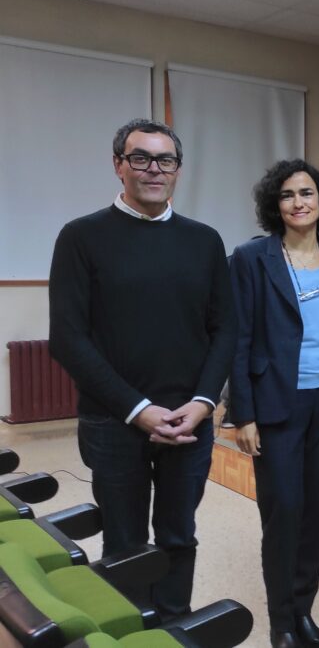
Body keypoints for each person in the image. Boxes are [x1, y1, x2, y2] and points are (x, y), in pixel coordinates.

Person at [48, 118, 237, 618]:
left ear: (178, 170)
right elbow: (68, 339)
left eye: (165, 159)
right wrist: (138, 410)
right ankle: (130, 632)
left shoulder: (204, 241)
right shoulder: (81, 237)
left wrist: (201, 403)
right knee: (124, 545)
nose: (154, 169)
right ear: (119, 166)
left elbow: (226, 331)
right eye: (141, 158)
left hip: (189, 424)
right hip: (113, 423)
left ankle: (174, 627)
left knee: (179, 536)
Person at [229, 160, 319, 648]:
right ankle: (281, 622)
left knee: (315, 511)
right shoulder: (251, 257)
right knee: (283, 511)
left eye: (307, 193)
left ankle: (304, 612)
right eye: (288, 195)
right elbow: (237, 337)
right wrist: (243, 413)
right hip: (276, 403)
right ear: (274, 205)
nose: (299, 202)